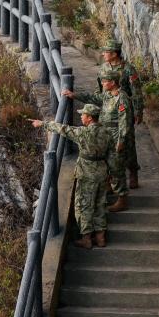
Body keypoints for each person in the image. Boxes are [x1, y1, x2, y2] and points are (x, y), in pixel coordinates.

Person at [31, 104, 112, 248]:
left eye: (83, 114)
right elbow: (112, 154)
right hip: (102, 171)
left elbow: (64, 129)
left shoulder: (83, 133)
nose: (81, 116)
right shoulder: (106, 132)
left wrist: (43, 124)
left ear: (89, 118)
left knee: (84, 205)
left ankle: (86, 238)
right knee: (100, 204)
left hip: (87, 173)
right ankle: (101, 238)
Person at [63, 67, 132, 212]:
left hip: (115, 135)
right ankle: (110, 188)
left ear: (113, 82)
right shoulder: (107, 95)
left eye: (105, 81)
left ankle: (122, 198)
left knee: (116, 167)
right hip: (106, 134)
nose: (102, 83)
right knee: (107, 163)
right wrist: (74, 95)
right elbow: (93, 98)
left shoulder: (122, 98)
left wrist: (121, 140)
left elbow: (125, 122)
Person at [99, 39, 143, 189]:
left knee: (128, 143)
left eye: (106, 52)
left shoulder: (128, 69)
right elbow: (100, 89)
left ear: (114, 54)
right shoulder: (103, 68)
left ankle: (133, 171)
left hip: (124, 110)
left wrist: (138, 111)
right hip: (108, 110)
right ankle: (111, 176)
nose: (103, 54)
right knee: (109, 144)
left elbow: (136, 91)